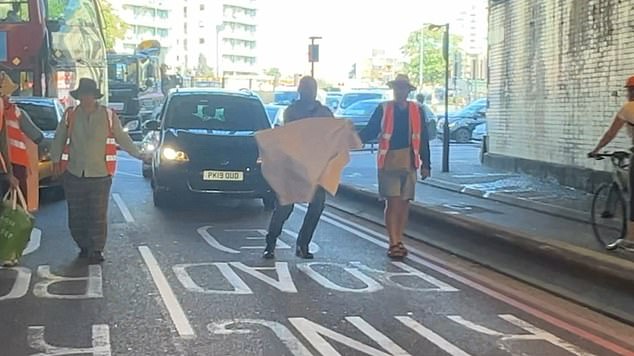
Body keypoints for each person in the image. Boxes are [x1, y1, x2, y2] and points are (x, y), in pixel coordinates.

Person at [50, 78, 149, 263]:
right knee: (76, 216)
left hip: (100, 175)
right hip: (74, 174)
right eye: (82, 95)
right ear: (78, 97)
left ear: (95, 96)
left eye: (89, 94)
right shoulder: (70, 115)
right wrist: (55, 162)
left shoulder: (108, 115)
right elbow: (58, 139)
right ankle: (83, 245)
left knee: (97, 215)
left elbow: (123, 138)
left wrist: (139, 154)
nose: (86, 98)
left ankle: (96, 249)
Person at [359, 74, 431, 259]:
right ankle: (393, 242)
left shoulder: (417, 110)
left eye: (403, 88)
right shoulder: (383, 108)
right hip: (389, 161)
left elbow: (423, 138)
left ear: (408, 90)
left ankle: (399, 239)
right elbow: (370, 131)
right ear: (394, 90)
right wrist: (351, 138)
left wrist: (426, 164)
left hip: (409, 161)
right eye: (397, 88)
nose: (400, 91)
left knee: (404, 202)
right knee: (393, 202)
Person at [264, 76, 334, 259]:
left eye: (310, 88)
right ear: (299, 90)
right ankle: (270, 242)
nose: (307, 92)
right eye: (304, 88)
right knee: (284, 208)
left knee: (317, 207)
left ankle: (303, 245)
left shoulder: (325, 112)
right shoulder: (291, 111)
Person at [589, 76, 634, 250]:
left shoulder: (628, 108)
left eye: (628, 90)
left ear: (630, 91)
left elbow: (611, 133)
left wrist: (596, 150)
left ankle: (630, 239)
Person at [0, 72, 44, 203]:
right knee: (15, 205)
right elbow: (37, 136)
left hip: (4, 166)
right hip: (14, 164)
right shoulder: (16, 112)